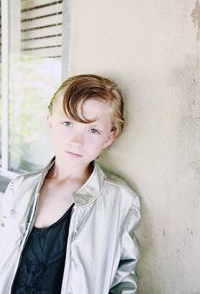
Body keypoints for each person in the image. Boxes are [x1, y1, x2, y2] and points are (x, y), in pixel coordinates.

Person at [0, 74, 141, 294]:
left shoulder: (119, 200)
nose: (76, 141)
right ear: (50, 121)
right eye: (67, 123)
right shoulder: (20, 187)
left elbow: (123, 280)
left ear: (110, 136)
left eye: (93, 130)